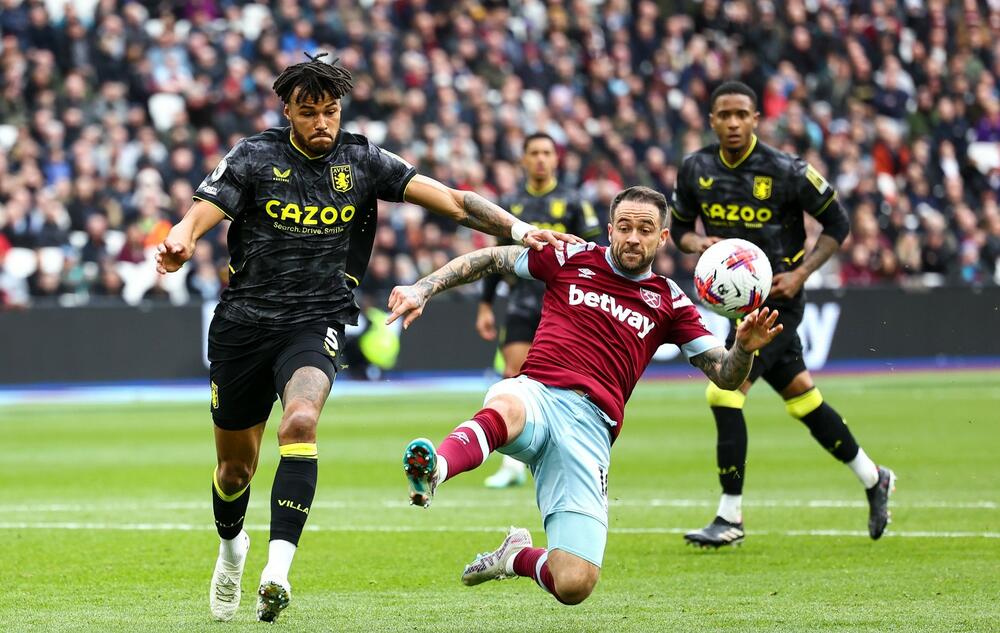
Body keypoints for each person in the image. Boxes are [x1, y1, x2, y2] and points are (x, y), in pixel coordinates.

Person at [154, 53, 577, 623]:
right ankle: (232, 549)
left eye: (330, 111)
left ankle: (277, 572)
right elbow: (205, 206)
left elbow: (453, 201)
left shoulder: (361, 159)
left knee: (300, 422)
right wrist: (182, 238)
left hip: (316, 321)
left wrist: (520, 230)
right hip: (244, 326)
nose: (322, 122)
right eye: (309, 112)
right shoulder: (255, 155)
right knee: (235, 471)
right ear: (288, 112)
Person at [388, 186, 782, 605]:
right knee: (507, 405)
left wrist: (744, 348)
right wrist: (423, 288)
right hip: (538, 393)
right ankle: (436, 469)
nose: (633, 238)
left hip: (591, 431)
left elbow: (724, 375)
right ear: (610, 230)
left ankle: (515, 557)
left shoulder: (671, 302)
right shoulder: (570, 255)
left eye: (645, 229)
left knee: (574, 583)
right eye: (624, 227)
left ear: (662, 237)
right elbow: (492, 258)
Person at [670, 81, 896, 548]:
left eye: (742, 114)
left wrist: (802, 273)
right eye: (724, 115)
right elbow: (680, 230)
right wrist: (699, 243)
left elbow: (838, 223)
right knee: (803, 400)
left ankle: (730, 516)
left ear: (756, 119)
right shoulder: (695, 168)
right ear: (711, 120)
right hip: (737, 306)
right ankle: (874, 477)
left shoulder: (787, 170)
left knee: (724, 393)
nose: (733, 123)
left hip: (778, 302)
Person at [476, 132, 603, 489]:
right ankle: (512, 465)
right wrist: (485, 304)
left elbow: (596, 253)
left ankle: (569, 453)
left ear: (556, 159)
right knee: (512, 375)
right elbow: (495, 258)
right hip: (521, 303)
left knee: (567, 381)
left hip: (565, 307)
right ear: (524, 159)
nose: (541, 159)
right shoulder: (509, 204)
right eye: (534, 153)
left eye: (547, 152)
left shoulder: (574, 202)